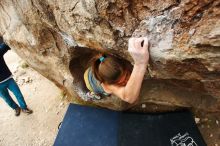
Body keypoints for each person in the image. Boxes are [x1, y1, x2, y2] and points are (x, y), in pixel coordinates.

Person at [84, 37, 149, 104]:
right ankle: (93, 94)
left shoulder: (106, 64)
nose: (127, 81)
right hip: (90, 84)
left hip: (91, 72)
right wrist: (140, 64)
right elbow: (129, 97)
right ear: (111, 83)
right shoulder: (108, 86)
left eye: (126, 76)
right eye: (121, 83)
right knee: (105, 92)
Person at [0, 40, 33, 116]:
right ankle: (16, 108)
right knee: (7, 99)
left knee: (18, 94)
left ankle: (24, 107)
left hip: (8, 79)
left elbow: (6, 44)